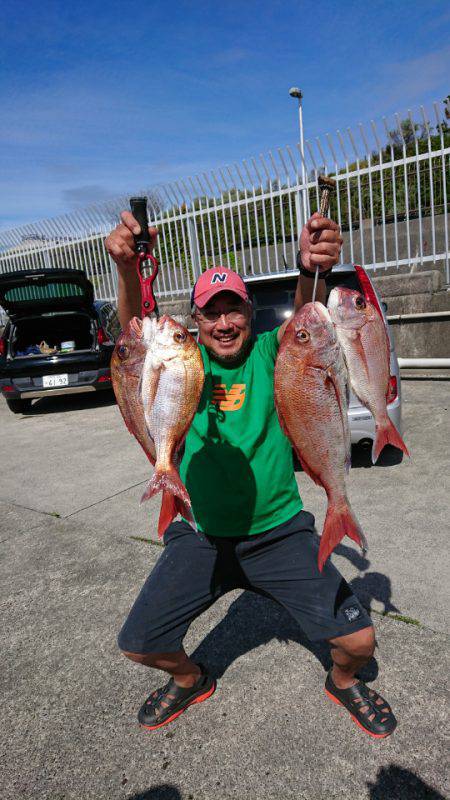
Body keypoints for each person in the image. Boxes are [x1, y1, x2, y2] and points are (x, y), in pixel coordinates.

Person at [105, 211, 397, 738]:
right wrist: (128, 270)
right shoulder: (183, 361)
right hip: (201, 536)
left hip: (278, 533)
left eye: (233, 309)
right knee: (140, 643)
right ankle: (192, 678)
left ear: (249, 312)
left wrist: (311, 264)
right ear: (194, 322)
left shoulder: (273, 353)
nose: (223, 323)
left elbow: (307, 317)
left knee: (359, 645)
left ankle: (343, 682)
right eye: (210, 313)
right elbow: (136, 342)